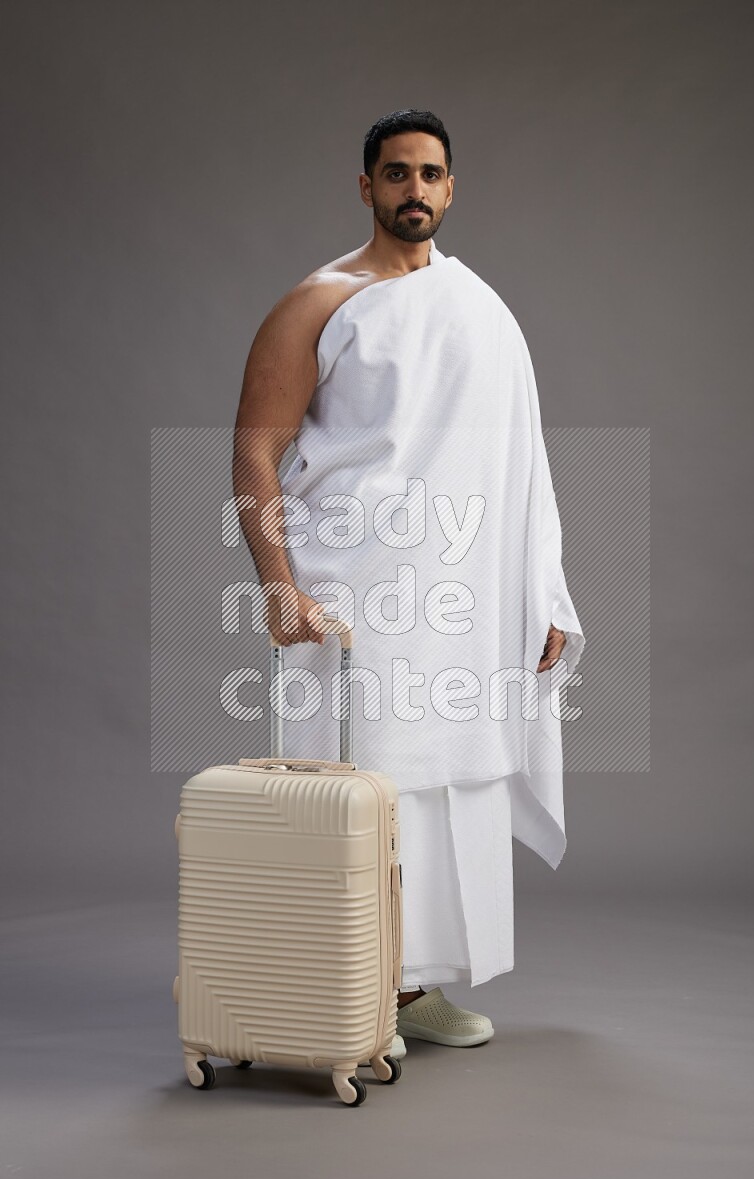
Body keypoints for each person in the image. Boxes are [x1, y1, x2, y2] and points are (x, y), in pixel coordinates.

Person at [232, 109, 585, 1058]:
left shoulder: (480, 306)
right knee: (358, 787)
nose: (414, 191)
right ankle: (342, 985)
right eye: (396, 175)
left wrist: (546, 591)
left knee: (445, 786)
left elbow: (523, 464)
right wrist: (277, 585)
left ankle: (414, 981)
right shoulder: (319, 300)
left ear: (451, 188)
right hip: (354, 594)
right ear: (366, 187)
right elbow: (256, 455)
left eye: (430, 175)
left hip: (461, 597)